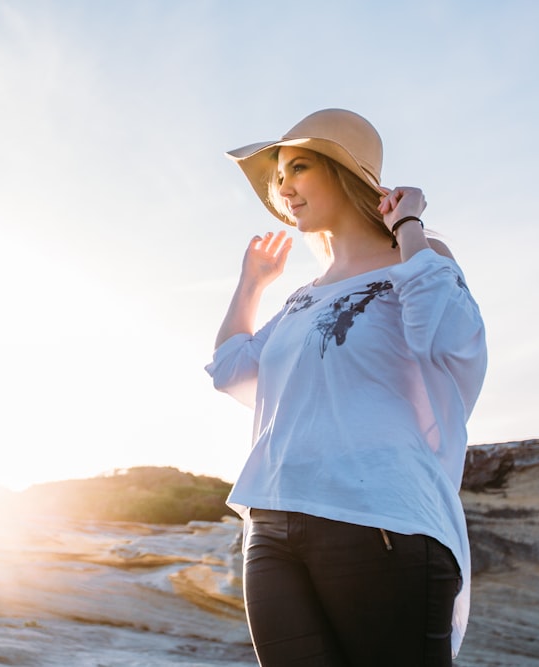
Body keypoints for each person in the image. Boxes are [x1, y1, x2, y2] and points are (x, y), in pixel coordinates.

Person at [205, 109, 487, 666]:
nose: (283, 187)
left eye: (299, 167)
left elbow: (448, 339)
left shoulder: (415, 261)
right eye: (277, 177)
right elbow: (231, 369)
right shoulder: (303, 298)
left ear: (344, 174)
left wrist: (409, 228)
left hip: (382, 517)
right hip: (272, 521)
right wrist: (251, 284)